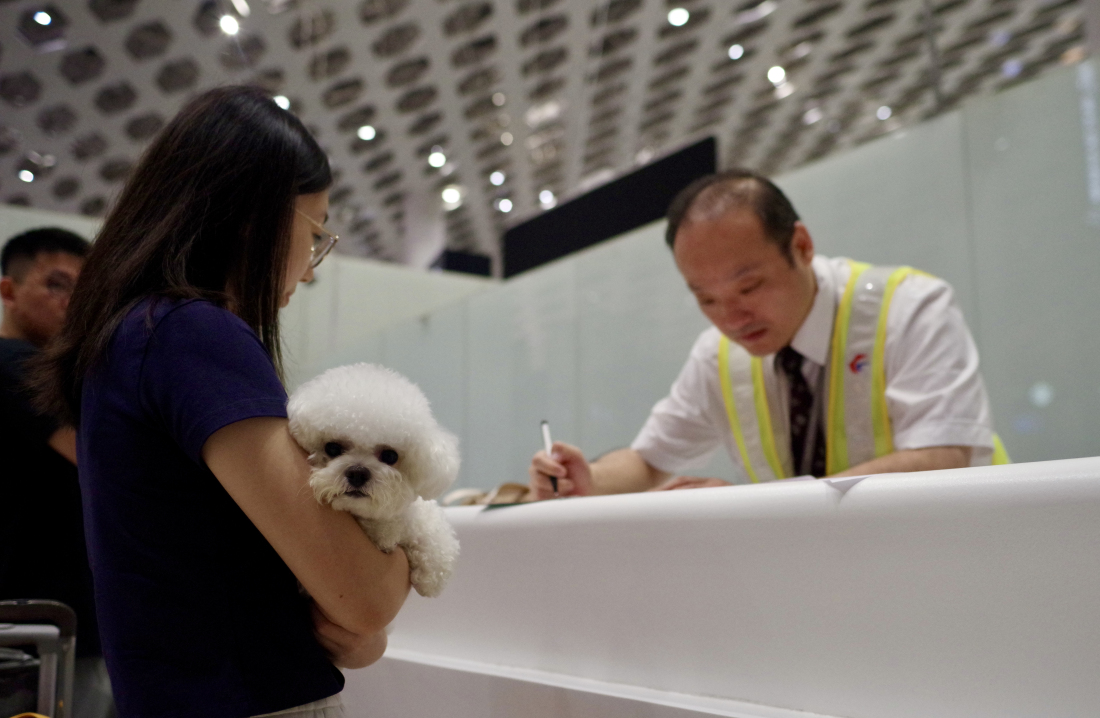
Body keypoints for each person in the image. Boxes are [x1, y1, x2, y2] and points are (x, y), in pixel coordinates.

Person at [32, 86, 410, 718]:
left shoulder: (131, 334)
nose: (310, 268)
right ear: (253, 217)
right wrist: (385, 582)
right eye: (314, 233)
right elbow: (363, 599)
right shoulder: (191, 332)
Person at [529, 169, 1007, 499]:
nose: (732, 318)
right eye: (706, 299)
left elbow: (941, 456)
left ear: (801, 246)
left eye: (749, 286)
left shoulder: (909, 306)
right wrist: (585, 477)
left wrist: (756, 504)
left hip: (959, 553)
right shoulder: (717, 356)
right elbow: (649, 461)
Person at [0, 228, 117, 718]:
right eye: (56, 284)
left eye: (81, 290)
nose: (72, 302)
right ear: (8, 289)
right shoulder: (15, 362)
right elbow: (106, 460)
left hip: (52, 624)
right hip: (45, 628)